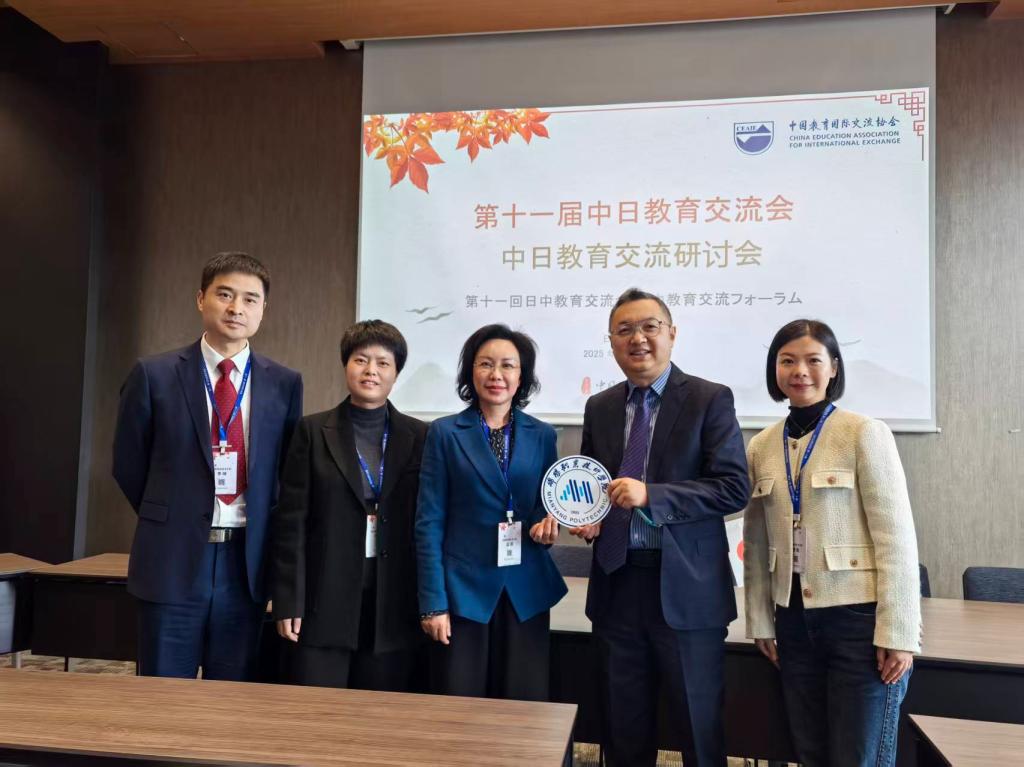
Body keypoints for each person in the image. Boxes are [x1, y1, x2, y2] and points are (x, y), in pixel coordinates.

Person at [569, 288, 749, 767]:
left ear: (672, 333)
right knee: (623, 731)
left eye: (650, 327)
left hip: (687, 592)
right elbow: (594, 481)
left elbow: (733, 489)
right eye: (624, 330)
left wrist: (652, 495)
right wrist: (588, 517)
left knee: (698, 732)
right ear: (611, 341)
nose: (638, 339)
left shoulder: (709, 399)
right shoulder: (601, 406)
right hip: (617, 585)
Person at [113, 252, 303, 680]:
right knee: (162, 694)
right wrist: (172, 512)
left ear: (264, 310)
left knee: (232, 699)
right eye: (225, 295)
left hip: (245, 564)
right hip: (172, 558)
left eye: (250, 299)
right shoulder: (154, 374)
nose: (237, 308)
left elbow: (285, 474)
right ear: (201, 299)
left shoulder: (284, 383)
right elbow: (128, 463)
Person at [743, 319, 921, 767]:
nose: (799, 371)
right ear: (774, 370)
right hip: (792, 622)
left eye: (812, 360)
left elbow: (896, 538)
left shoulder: (863, 432)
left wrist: (899, 633)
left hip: (857, 622)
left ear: (834, 368)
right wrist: (761, 620)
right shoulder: (762, 445)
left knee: (859, 757)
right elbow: (756, 542)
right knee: (810, 752)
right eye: (787, 361)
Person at [270, 320, 427, 691]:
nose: (371, 370)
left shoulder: (421, 436)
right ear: (345, 366)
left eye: (383, 363)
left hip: (393, 603)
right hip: (323, 602)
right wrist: (288, 600)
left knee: (380, 713)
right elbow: (291, 522)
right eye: (361, 360)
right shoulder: (312, 431)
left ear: (396, 373)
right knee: (317, 712)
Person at [415, 324, 566, 701]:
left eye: (508, 366)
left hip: (525, 591)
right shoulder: (444, 433)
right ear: (471, 371)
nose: (496, 374)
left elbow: (543, 507)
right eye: (485, 364)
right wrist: (433, 603)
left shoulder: (543, 435)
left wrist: (547, 526)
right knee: (460, 704)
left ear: (521, 376)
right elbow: (429, 522)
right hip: (463, 592)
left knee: (524, 706)